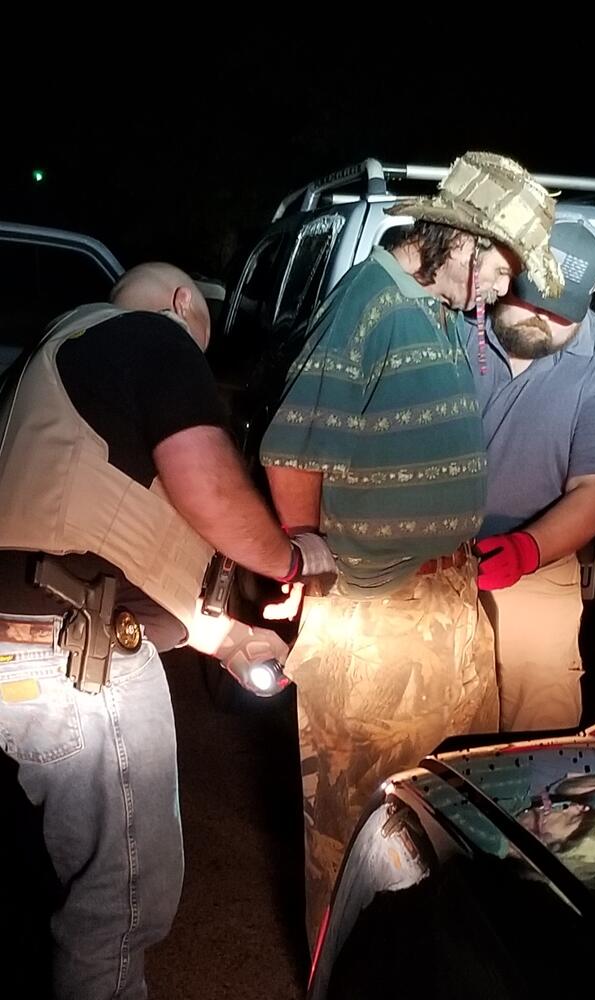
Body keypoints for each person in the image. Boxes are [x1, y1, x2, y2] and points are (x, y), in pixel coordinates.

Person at [0, 262, 333, 1000]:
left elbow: (106, 538)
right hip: (77, 665)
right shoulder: (152, 338)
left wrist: (224, 637)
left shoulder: (50, 366)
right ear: (184, 303)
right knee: (120, 901)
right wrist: (291, 558)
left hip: (29, 644)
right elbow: (206, 483)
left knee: (63, 881)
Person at [259, 151, 564, 945]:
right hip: (377, 616)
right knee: (357, 831)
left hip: (441, 604)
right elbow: (291, 450)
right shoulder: (370, 301)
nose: (504, 288)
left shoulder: (430, 309)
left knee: (444, 817)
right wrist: (307, 556)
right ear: (457, 238)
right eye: (500, 264)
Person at [463, 216, 595, 731]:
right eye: (528, 297)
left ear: (594, 295)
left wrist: (527, 548)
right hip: (422, 554)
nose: (537, 318)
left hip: (536, 562)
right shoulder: (454, 321)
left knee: (539, 725)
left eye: (557, 310)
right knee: (425, 718)